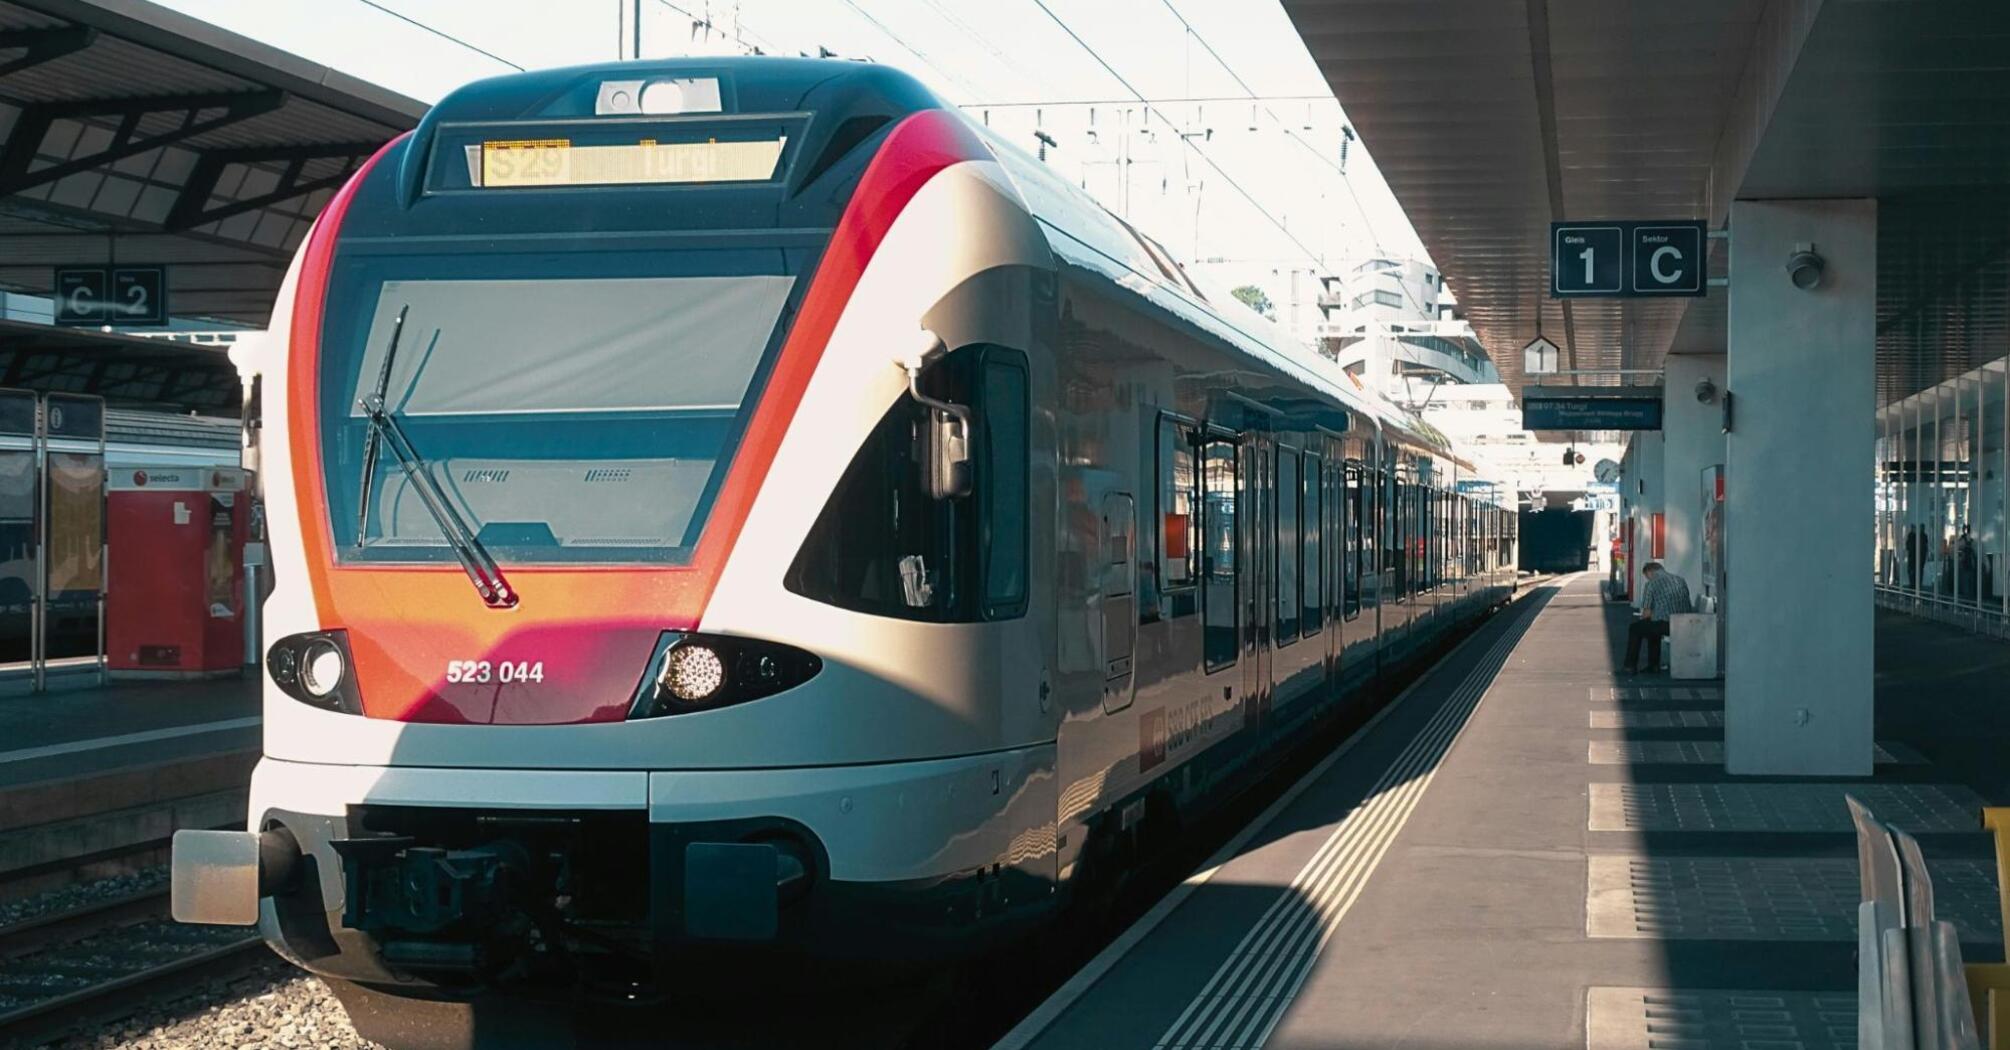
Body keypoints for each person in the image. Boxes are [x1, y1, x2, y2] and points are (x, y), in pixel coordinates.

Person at [1623, 561, 1691, 675]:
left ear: (1650, 572)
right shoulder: (1680, 580)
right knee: (1652, 627)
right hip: (1684, 623)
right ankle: (1652, 666)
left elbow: (1647, 613)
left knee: (1636, 628)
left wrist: (1644, 617)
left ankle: (1630, 666)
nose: (1647, 579)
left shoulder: (1651, 584)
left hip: (1666, 625)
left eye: (1646, 576)